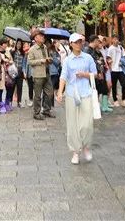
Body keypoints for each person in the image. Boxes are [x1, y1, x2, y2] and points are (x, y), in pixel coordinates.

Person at [56, 33, 96, 165]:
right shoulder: (68, 60)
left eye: (80, 42)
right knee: (72, 124)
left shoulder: (88, 58)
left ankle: (86, 146)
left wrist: (85, 74)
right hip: (72, 94)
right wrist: (60, 92)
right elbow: (63, 77)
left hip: (86, 93)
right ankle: (75, 151)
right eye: (76, 42)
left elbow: (95, 74)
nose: (79, 44)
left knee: (87, 124)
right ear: (71, 44)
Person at [27, 30, 55, 120]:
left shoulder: (45, 47)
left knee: (50, 93)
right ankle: (36, 113)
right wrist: (41, 61)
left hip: (47, 73)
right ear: (36, 38)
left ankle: (46, 110)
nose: (43, 37)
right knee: (38, 95)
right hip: (38, 75)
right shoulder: (32, 49)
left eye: (43, 36)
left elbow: (45, 59)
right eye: (41, 36)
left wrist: (48, 60)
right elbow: (30, 62)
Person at [86, 35, 112, 113]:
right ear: (95, 41)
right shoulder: (88, 51)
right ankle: (94, 108)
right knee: (95, 91)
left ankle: (103, 106)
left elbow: (101, 61)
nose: (99, 43)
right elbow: (93, 63)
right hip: (93, 75)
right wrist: (97, 72)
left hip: (100, 73)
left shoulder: (95, 51)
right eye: (98, 41)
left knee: (104, 89)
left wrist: (103, 68)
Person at [0, 39, 14, 113]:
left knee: (9, 87)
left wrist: (9, 62)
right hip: (0, 73)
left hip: (8, 73)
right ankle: (0, 105)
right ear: (1, 45)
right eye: (5, 44)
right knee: (0, 89)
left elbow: (11, 60)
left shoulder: (7, 51)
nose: (6, 45)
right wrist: (2, 61)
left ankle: (7, 103)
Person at [106, 35, 125, 107]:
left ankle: (124, 99)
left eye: (117, 39)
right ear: (112, 40)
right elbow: (108, 58)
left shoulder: (121, 48)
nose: (116, 41)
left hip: (121, 69)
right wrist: (109, 63)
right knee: (114, 86)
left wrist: (122, 61)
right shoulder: (110, 49)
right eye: (115, 39)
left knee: (124, 84)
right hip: (113, 70)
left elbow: (124, 56)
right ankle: (115, 100)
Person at [48, 41, 62, 109]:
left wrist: (53, 58)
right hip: (51, 72)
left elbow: (58, 62)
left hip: (55, 72)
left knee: (51, 88)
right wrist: (55, 59)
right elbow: (57, 62)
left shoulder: (56, 52)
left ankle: (51, 105)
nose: (59, 44)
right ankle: (50, 105)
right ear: (54, 44)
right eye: (57, 42)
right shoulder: (51, 52)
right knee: (51, 88)